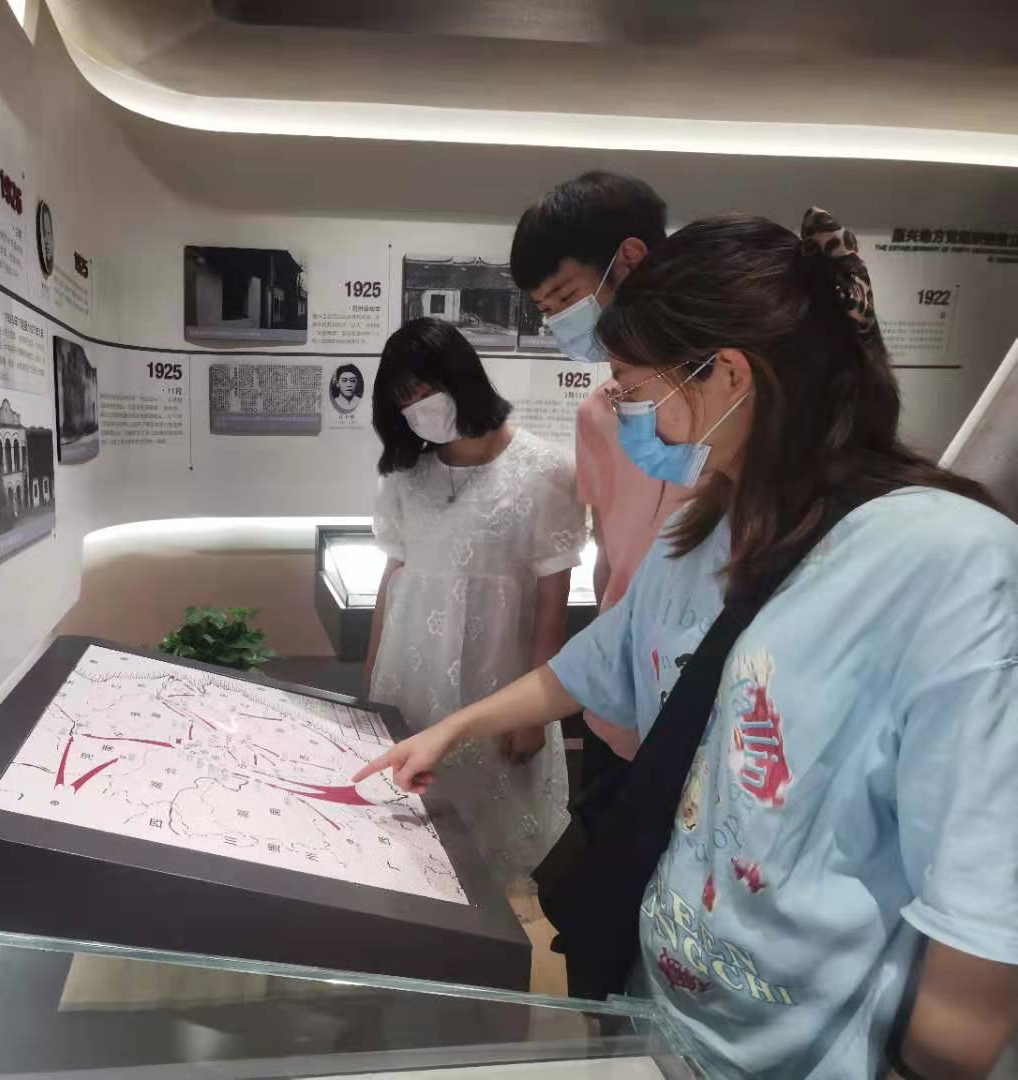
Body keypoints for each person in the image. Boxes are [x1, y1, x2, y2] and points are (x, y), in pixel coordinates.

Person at [357, 211, 1018, 1078]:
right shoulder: (708, 528)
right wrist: (453, 728)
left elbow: (978, 920)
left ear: (728, 375)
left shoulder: (951, 564)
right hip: (664, 1012)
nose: (624, 411)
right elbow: (593, 665)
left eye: (633, 387)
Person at [363, 317, 587, 887]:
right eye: (403, 400)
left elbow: (553, 596)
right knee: (407, 838)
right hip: (410, 677)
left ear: (461, 378)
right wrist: (370, 681)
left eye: (424, 391)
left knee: (489, 848)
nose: (417, 409)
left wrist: (535, 714)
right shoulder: (405, 475)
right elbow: (393, 577)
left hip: (497, 682)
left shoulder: (546, 470)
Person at [511, 171, 682, 764]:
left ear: (629, 259)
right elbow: (609, 558)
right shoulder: (598, 415)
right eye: (546, 310)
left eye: (565, 299)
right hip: (620, 683)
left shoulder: (730, 406)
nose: (560, 321)